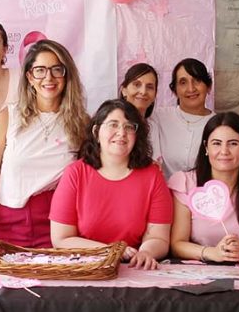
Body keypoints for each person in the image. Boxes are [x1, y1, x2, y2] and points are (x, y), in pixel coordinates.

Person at [0, 39, 88, 249]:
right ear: (29, 77)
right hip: (5, 224)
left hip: (56, 228)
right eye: (40, 70)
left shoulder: (81, 123)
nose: (48, 78)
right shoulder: (8, 117)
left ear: (66, 75)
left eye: (56, 69)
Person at [49, 99, 172, 269]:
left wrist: (146, 253)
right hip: (85, 268)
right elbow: (61, 238)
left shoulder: (153, 175)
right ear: (96, 131)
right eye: (113, 125)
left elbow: (159, 237)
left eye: (129, 127)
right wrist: (111, 251)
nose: (121, 133)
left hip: (133, 268)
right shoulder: (75, 173)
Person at [169, 112, 239, 264]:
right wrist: (211, 253)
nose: (224, 151)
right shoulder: (185, 183)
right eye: (216, 143)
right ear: (206, 147)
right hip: (198, 270)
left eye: (233, 143)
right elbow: (177, 244)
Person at [149, 58, 214, 179]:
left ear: (208, 86)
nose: (191, 88)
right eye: (183, 82)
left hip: (204, 190)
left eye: (197, 80)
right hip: (162, 189)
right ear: (175, 91)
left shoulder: (218, 125)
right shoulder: (158, 117)